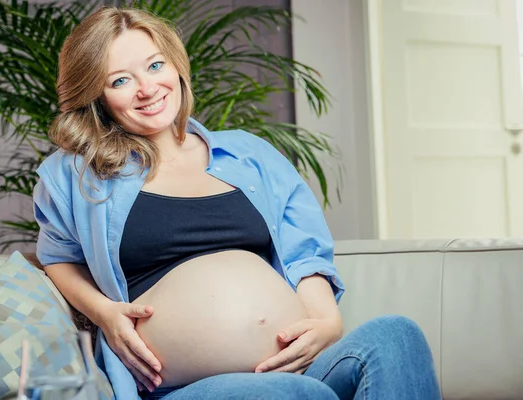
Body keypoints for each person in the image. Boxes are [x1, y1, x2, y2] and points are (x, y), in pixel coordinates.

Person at [32, 5, 441, 400]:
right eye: (120, 80)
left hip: (298, 369)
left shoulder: (251, 154)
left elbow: (305, 254)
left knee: (396, 335)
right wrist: (105, 312)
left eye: (155, 66)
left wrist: (326, 322)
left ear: (175, 66)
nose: (147, 88)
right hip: (182, 387)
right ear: (96, 96)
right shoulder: (79, 173)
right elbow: (58, 257)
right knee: (296, 394)